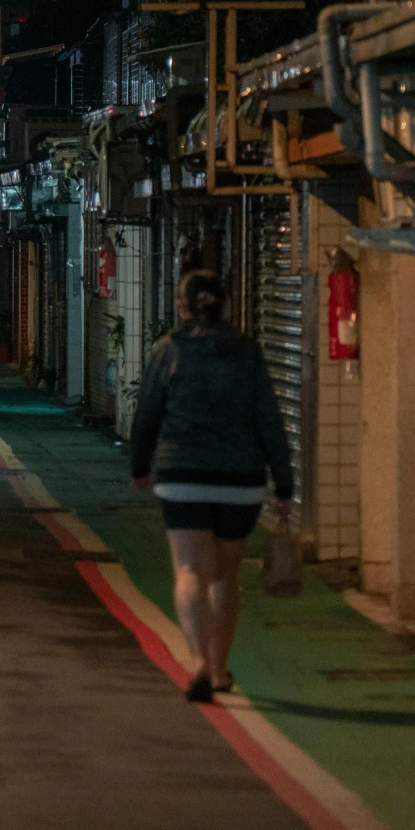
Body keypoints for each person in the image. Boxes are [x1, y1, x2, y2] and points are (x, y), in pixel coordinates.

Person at [127, 268, 293, 704]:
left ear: (181, 308)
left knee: (189, 572)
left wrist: (139, 463)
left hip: (182, 476)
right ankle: (219, 671)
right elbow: (269, 419)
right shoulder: (247, 352)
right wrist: (285, 481)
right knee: (225, 576)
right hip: (240, 479)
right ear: (225, 304)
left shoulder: (169, 350)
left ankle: (199, 663)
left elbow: (148, 410)